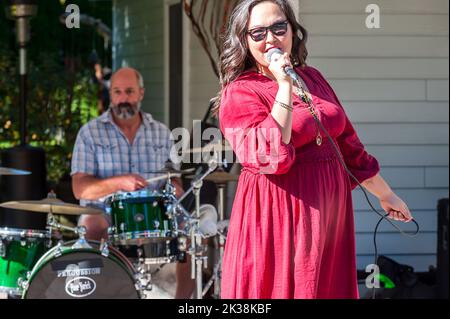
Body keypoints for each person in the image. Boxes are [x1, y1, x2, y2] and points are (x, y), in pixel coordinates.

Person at [216, 0, 413, 299]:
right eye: (257, 33)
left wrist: (386, 194)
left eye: (278, 27)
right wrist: (283, 85)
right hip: (281, 218)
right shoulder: (241, 92)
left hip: (330, 219)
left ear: (293, 31)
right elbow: (271, 156)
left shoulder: (314, 78)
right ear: (244, 40)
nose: (270, 38)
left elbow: (349, 146)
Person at [71, 67, 194, 298]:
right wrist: (119, 182)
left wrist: (176, 188)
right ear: (111, 95)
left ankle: (182, 300)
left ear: (141, 94)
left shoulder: (161, 133)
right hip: (104, 212)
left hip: (154, 214)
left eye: (129, 91)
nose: (123, 98)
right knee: (91, 226)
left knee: (192, 233)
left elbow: (174, 179)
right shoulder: (90, 133)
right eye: (117, 92)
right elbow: (80, 188)